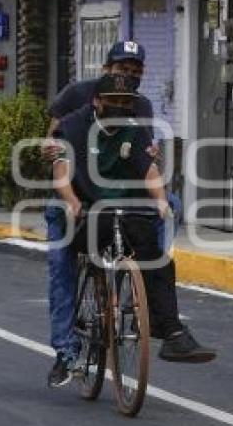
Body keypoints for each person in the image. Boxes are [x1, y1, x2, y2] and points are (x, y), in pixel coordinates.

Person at [45, 69, 210, 389]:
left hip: (129, 210)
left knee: (156, 258)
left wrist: (161, 200)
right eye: (114, 101)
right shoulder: (73, 126)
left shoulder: (132, 130)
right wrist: (74, 204)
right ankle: (65, 350)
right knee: (61, 267)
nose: (121, 106)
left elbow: (148, 170)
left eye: (126, 101)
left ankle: (171, 331)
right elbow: (61, 173)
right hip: (89, 211)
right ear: (97, 102)